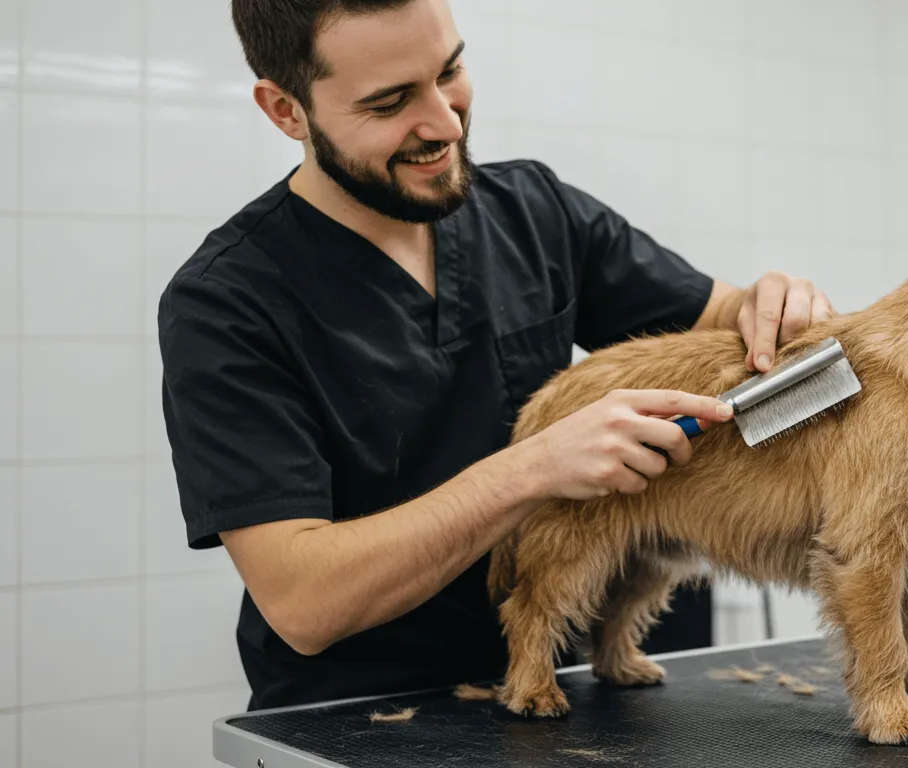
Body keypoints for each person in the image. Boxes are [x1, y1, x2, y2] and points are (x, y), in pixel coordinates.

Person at [156, 0, 835, 712]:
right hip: (369, 714)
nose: (445, 123)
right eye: (390, 102)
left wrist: (773, 305)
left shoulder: (536, 211)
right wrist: (537, 467)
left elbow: (729, 323)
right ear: (286, 110)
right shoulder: (228, 303)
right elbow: (303, 603)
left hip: (586, 692)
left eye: (449, 70)